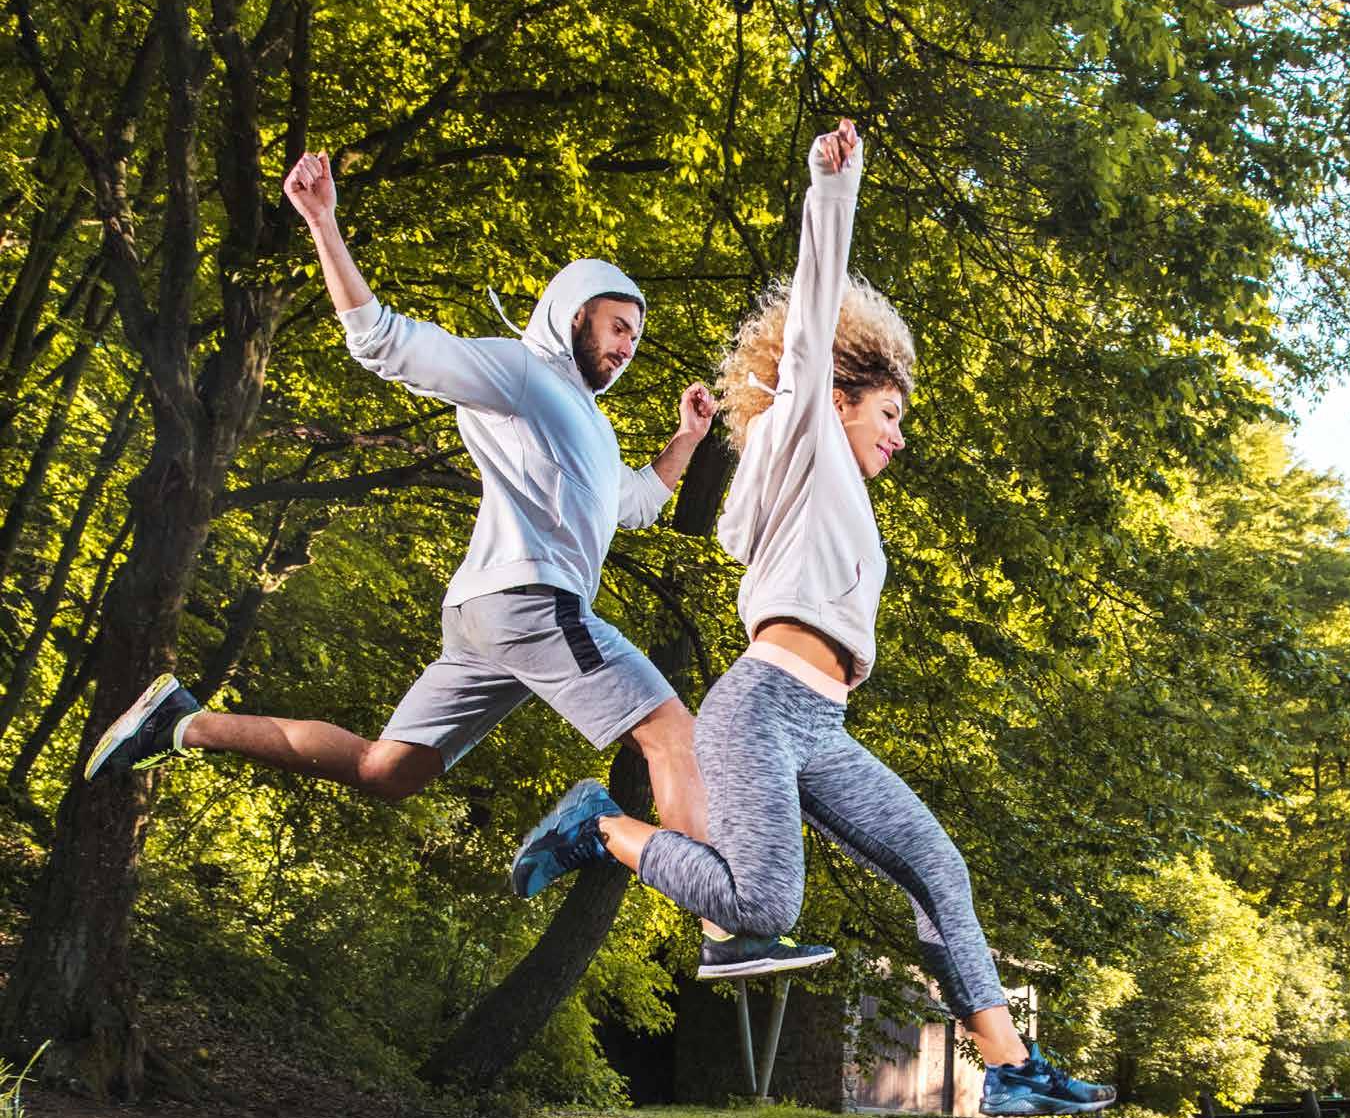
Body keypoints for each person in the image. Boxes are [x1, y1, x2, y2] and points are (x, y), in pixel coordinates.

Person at [84, 149, 830, 982]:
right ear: (573, 314)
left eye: (635, 337)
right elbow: (381, 341)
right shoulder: (521, 373)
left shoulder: (582, 422)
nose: (627, 346)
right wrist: (323, 222)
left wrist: (686, 440)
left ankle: (179, 722)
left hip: (486, 619)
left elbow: (630, 504)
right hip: (531, 603)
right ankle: (725, 925)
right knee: (672, 733)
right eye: (618, 326)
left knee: (384, 769)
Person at [513, 120, 1114, 1117]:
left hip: (821, 725)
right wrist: (832, 191)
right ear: (835, 402)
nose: (899, 437)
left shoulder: (822, 500)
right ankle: (600, 826)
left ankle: (1009, 1069)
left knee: (936, 864)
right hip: (758, 708)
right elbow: (811, 319)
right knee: (763, 906)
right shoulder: (807, 433)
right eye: (889, 415)